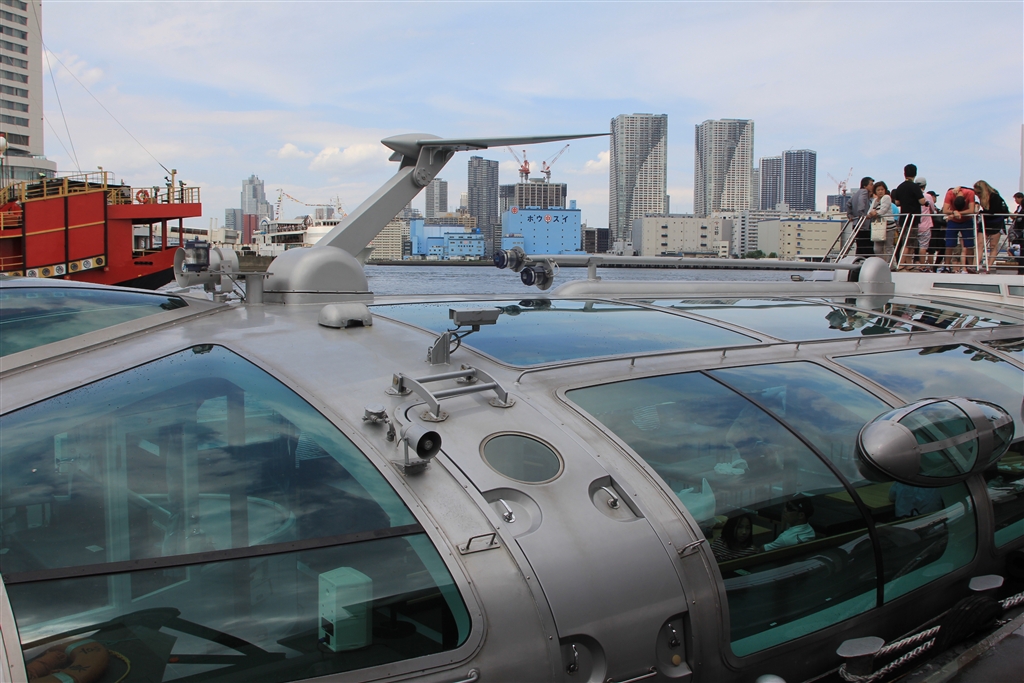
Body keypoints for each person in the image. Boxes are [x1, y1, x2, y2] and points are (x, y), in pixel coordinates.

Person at [890, 165, 926, 268]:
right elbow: (922, 201)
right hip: (913, 218)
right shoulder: (915, 187)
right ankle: (901, 264)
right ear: (915, 173)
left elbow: (897, 202)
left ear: (904, 173)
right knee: (909, 243)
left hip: (903, 217)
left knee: (906, 242)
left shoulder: (900, 187)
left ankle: (908, 264)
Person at [973, 180, 1009, 271]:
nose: (977, 194)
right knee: (979, 243)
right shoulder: (983, 197)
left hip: (996, 222)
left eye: (978, 192)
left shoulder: (994, 196)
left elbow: (993, 210)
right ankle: (975, 265)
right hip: (985, 221)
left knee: (993, 245)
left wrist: (982, 212)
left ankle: (988, 266)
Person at [943, 185, 978, 272]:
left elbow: (971, 210)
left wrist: (958, 213)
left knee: (969, 245)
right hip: (953, 221)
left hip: (967, 221)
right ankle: (947, 266)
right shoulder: (950, 193)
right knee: (949, 245)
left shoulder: (970, 193)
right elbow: (945, 210)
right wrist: (954, 211)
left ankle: (970, 266)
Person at [847, 177, 875, 255]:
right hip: (863, 224)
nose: (872, 186)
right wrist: (863, 215)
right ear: (865, 186)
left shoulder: (856, 193)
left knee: (860, 246)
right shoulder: (864, 192)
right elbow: (861, 202)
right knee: (867, 246)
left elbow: (848, 203)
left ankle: (859, 260)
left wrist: (850, 215)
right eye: (871, 184)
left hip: (856, 223)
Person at [867, 181, 895, 258]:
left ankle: (889, 263)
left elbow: (882, 211)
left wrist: (874, 213)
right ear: (875, 191)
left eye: (882, 189)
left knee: (888, 247)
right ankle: (881, 262)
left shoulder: (887, 197)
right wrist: (872, 213)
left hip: (888, 226)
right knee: (877, 248)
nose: (880, 191)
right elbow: (869, 212)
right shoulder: (875, 200)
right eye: (878, 190)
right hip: (878, 226)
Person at [915, 179, 936, 270]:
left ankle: (909, 264)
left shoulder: (913, 195)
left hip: (914, 224)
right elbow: (932, 209)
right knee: (923, 247)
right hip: (925, 225)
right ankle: (923, 265)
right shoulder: (927, 196)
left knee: (910, 246)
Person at [1011, 192, 1024, 274]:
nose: (1015, 201)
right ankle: (1021, 269)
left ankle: (1021, 269)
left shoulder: (1022, 208)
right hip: (1019, 232)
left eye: (1016, 199)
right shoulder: (1019, 207)